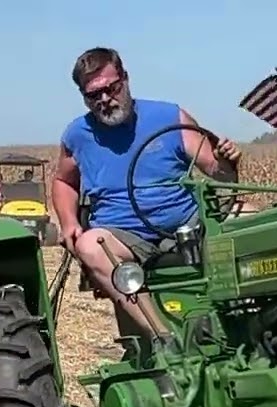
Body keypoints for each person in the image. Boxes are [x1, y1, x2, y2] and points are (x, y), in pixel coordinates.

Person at [52, 46, 248, 350]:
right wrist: (68, 223)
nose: (104, 99)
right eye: (93, 95)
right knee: (90, 245)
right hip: (123, 234)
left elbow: (218, 171)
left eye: (111, 88)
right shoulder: (77, 134)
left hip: (188, 222)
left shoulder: (168, 117)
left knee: (252, 217)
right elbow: (64, 181)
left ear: (125, 79)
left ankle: (253, 321)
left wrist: (226, 160)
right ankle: (164, 338)